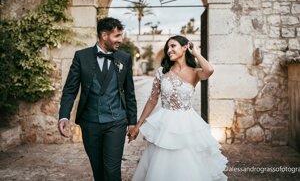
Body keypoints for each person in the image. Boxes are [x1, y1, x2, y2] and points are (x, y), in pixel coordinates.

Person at [128, 35, 228, 181]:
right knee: (160, 164)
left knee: (188, 164)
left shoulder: (195, 73)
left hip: (187, 124)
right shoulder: (162, 72)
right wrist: (138, 125)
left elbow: (210, 70)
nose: (169, 50)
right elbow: (152, 100)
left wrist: (196, 53)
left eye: (173, 46)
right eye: (167, 47)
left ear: (185, 47)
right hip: (165, 124)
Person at [58, 17, 137, 181]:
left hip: (116, 122)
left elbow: (129, 93)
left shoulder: (124, 58)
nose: (120, 40)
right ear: (104, 35)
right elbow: (70, 90)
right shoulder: (81, 56)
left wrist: (132, 122)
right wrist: (64, 115)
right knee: (98, 170)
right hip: (90, 123)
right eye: (117, 36)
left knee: (112, 171)